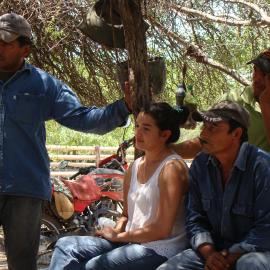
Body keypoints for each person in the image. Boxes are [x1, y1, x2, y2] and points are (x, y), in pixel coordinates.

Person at [0, 13, 132, 270]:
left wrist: (123, 107)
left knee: (22, 264)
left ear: (25, 49)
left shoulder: (44, 85)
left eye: (5, 43)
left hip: (24, 190)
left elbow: (83, 118)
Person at [48, 102, 190, 270]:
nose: (138, 133)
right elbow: (126, 215)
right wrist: (116, 231)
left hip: (160, 248)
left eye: (146, 128)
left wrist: (119, 236)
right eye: (137, 126)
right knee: (66, 245)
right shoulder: (135, 166)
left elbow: (162, 230)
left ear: (165, 134)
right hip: (131, 241)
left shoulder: (172, 168)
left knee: (92, 266)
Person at [157, 100, 270, 270]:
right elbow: (194, 218)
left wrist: (230, 256)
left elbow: (266, 228)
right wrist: (209, 253)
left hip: (254, 252)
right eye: (204, 126)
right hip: (212, 252)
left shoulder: (262, 166)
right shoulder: (200, 165)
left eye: (213, 128)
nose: (203, 134)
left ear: (237, 133)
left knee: (250, 265)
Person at [173, 48, 270, 158]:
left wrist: (265, 103)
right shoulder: (233, 99)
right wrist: (167, 152)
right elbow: (203, 142)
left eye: (265, 74)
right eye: (255, 69)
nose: (256, 78)